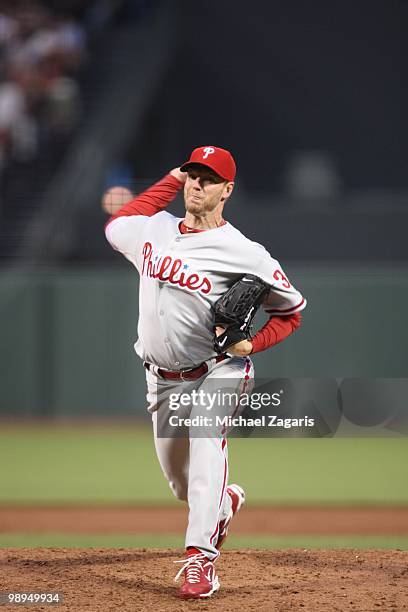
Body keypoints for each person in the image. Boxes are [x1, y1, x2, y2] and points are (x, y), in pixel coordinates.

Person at [104, 146, 306, 599]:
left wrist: (252, 344)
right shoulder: (153, 230)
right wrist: (170, 177)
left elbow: (292, 312)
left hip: (220, 368)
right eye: (193, 175)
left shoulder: (245, 252)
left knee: (206, 434)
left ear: (227, 190)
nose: (197, 184)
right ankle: (223, 502)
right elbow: (118, 223)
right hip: (161, 380)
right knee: (182, 485)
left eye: (208, 178)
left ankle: (201, 562)